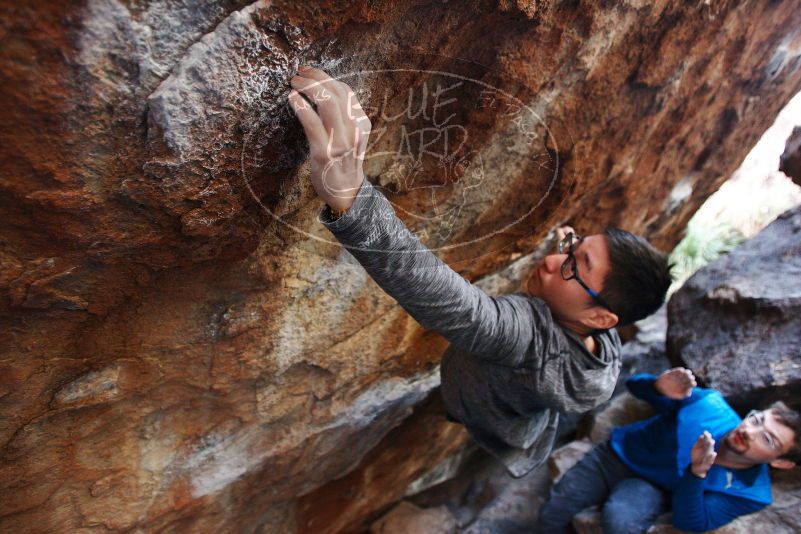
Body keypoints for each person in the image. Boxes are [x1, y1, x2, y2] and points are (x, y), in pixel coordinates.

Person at [287, 66, 672, 477]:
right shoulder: (603, 347)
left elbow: (457, 305)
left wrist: (352, 200)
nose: (554, 260)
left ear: (601, 317)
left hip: (481, 411)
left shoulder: (524, 339)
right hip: (519, 411)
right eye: (572, 246)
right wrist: (574, 257)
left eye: (574, 266)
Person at [535, 367, 801, 533]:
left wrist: (696, 474)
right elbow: (635, 385)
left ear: (781, 462)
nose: (749, 432)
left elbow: (692, 522)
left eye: (767, 439)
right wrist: (657, 386)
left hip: (654, 487)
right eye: (756, 420)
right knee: (556, 509)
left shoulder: (752, 493)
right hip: (618, 456)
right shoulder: (709, 406)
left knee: (620, 523)